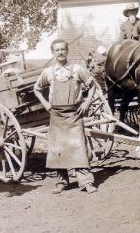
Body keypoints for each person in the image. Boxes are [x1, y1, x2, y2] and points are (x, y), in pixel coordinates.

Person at [33, 39, 97, 194]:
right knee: (58, 148)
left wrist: (86, 103)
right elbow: (37, 88)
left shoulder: (77, 69)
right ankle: (61, 182)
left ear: (67, 51)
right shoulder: (48, 72)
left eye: (63, 49)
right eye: (57, 50)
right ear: (53, 53)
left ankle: (86, 182)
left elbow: (93, 84)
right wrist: (46, 105)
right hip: (57, 115)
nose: (60, 52)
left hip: (75, 114)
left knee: (79, 147)